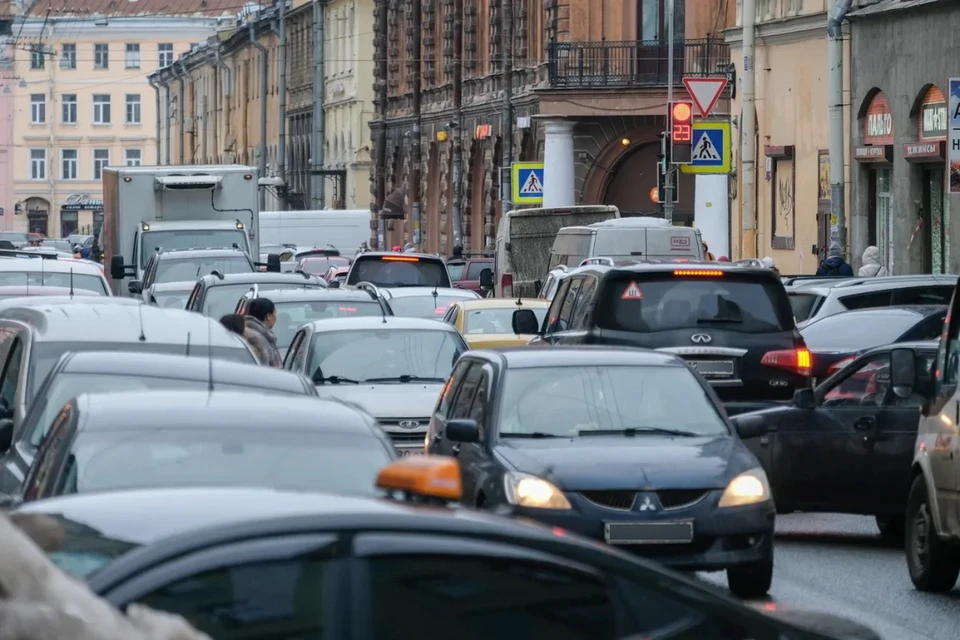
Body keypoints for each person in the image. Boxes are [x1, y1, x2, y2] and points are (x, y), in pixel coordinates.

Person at [244, 298, 283, 367]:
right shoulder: (257, 340)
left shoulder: (244, 331)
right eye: (275, 313)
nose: (276, 317)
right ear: (269, 316)